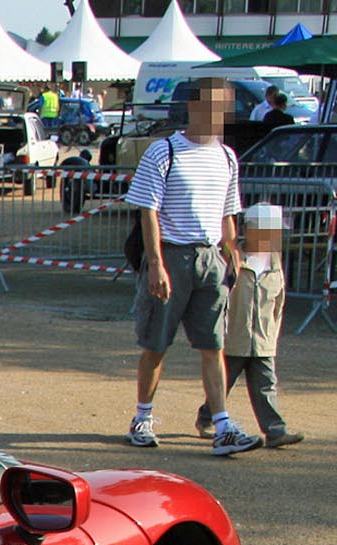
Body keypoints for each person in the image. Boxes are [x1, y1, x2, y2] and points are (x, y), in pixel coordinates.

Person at [124, 79, 258, 457]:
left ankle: (222, 426)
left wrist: (233, 254)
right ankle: (143, 417)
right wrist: (156, 265)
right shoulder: (163, 151)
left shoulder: (228, 157)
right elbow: (147, 211)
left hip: (210, 259)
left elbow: (229, 214)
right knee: (156, 344)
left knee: (213, 346)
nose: (223, 114)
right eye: (216, 105)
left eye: (226, 106)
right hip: (172, 255)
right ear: (196, 106)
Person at [195, 203, 304, 449]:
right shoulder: (231, 259)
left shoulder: (275, 263)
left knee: (266, 385)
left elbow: (279, 301)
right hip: (233, 337)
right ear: (249, 230)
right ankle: (205, 418)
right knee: (224, 381)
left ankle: (275, 432)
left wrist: (273, 334)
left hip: (263, 340)